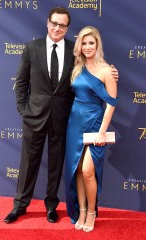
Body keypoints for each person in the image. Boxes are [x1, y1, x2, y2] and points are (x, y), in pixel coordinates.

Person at [4, 7, 118, 224]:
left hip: (63, 118)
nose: (57, 28)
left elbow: (92, 72)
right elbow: (21, 84)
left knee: (56, 165)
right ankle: (19, 206)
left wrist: (112, 72)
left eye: (62, 25)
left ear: (67, 28)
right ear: (48, 23)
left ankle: (51, 206)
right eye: (54, 23)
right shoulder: (32, 48)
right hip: (34, 116)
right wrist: (24, 111)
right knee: (28, 163)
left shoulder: (74, 52)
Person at [65, 26, 118, 232]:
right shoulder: (77, 67)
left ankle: (92, 212)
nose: (87, 47)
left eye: (91, 43)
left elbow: (111, 104)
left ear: (98, 45)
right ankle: (81, 211)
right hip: (75, 121)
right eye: (84, 43)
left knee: (88, 170)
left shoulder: (107, 70)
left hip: (95, 122)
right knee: (77, 169)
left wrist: (103, 132)